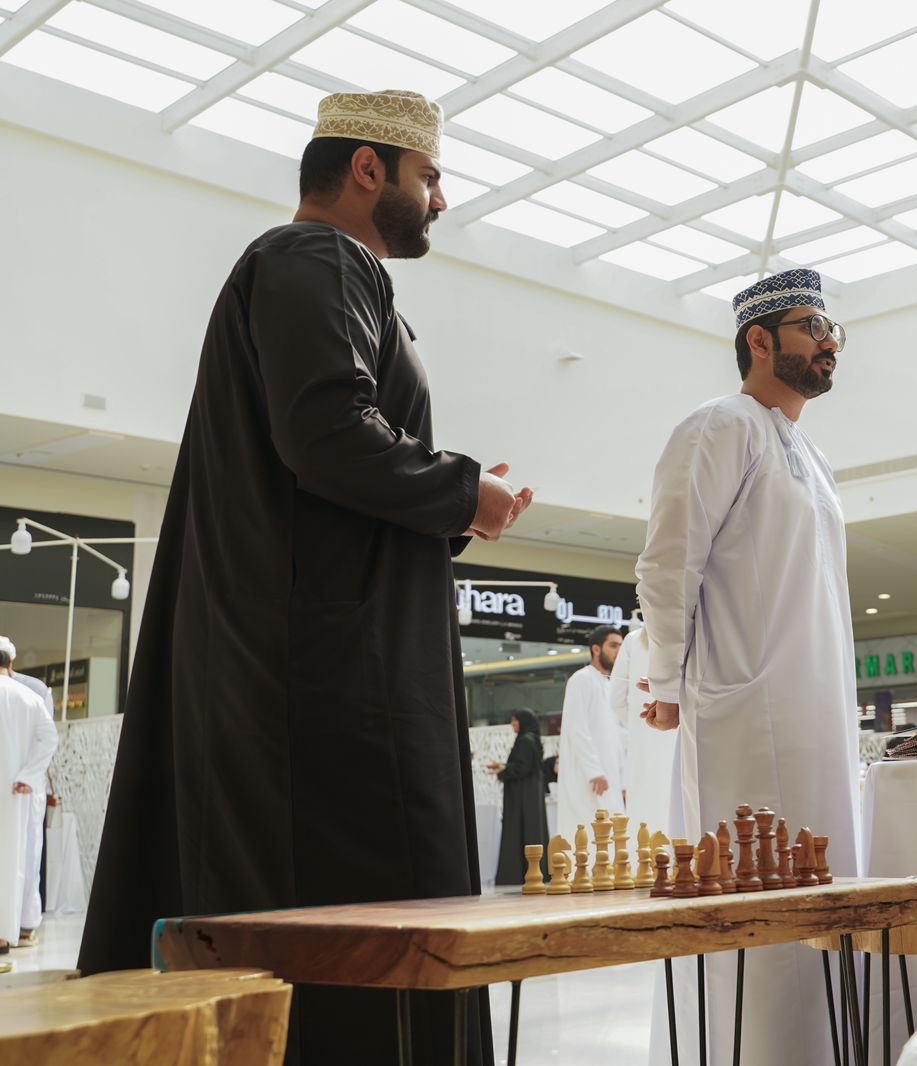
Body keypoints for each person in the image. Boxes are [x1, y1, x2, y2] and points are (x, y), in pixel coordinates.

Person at [78, 90, 534, 1064]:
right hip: (328, 687)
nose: (441, 199)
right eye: (429, 175)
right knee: (360, 937)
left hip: (314, 663)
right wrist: (465, 493)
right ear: (368, 168)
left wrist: (454, 503)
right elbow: (327, 431)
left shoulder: (312, 269)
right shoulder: (317, 258)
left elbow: (322, 465)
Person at [635, 268, 861, 1066]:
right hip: (746, 710)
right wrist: (667, 683)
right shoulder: (719, 425)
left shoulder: (812, 454)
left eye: (834, 330)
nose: (830, 343)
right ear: (759, 341)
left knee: (822, 900)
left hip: (818, 709)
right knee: (754, 904)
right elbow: (670, 562)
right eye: (813, 327)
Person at [0, 641, 55, 957]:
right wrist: (27, 775)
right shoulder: (30, 695)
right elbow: (49, 738)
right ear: (10, 661)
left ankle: (21, 926)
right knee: (16, 859)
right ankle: (10, 932)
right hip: (17, 791)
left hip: (21, 789)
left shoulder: (33, 690)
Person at [554, 625, 624, 835]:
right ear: (596, 649)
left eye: (621, 646)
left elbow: (616, 735)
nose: (618, 652)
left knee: (613, 834)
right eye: (613, 646)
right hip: (588, 776)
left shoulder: (610, 684)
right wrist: (594, 772)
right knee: (587, 832)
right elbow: (576, 728)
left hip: (610, 774)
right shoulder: (581, 679)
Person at [610, 620, 675, 836]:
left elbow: (615, 699)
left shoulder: (632, 640)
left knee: (643, 813)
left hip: (642, 743)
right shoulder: (685, 633)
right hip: (680, 735)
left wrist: (639, 724)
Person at [488, 709, 550, 887]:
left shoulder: (525, 740)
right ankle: (534, 872)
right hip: (530, 795)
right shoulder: (532, 740)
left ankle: (516, 875)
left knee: (519, 832)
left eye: (516, 721)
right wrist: (504, 767)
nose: (513, 724)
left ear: (524, 722)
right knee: (531, 832)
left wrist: (503, 771)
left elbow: (522, 768)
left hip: (522, 797)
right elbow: (524, 765)